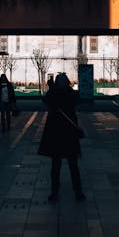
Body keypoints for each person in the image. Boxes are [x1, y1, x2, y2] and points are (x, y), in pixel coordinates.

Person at [38, 73, 85, 201]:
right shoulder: (66, 94)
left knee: (61, 165)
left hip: (59, 133)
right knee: (67, 164)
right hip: (65, 133)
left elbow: (48, 100)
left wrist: (53, 89)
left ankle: (59, 192)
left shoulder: (58, 94)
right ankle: (74, 191)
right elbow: (76, 100)